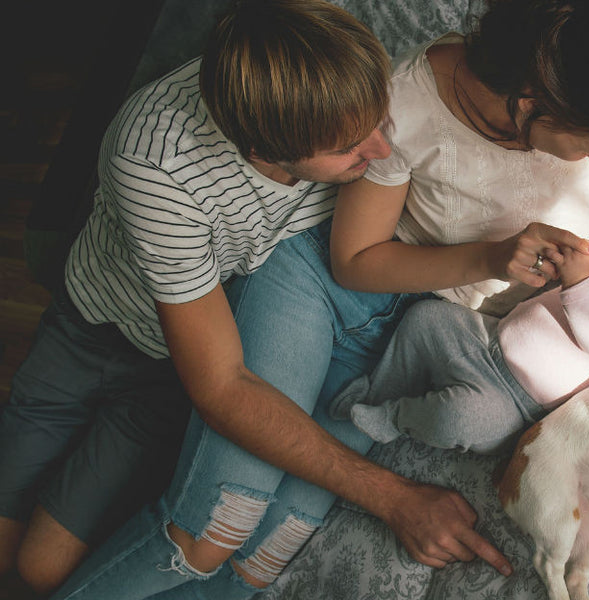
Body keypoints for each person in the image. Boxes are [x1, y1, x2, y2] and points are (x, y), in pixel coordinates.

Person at [54, 0, 589, 598]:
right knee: (219, 524)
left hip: (419, 334)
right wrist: (488, 257)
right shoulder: (408, 106)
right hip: (331, 291)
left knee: (270, 548)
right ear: (533, 108)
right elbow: (352, 261)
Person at [1, 0, 492, 597]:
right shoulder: (156, 163)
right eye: (348, 150)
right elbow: (224, 384)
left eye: (380, 123)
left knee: (41, 568)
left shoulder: (326, 67)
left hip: (171, 374)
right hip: (91, 330)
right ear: (261, 152)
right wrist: (394, 497)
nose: (381, 154)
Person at [333, 181, 589, 454]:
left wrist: (580, 282)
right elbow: (580, 234)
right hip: (484, 339)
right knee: (425, 319)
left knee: (459, 420)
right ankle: (377, 390)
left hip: (513, 403)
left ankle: (394, 416)